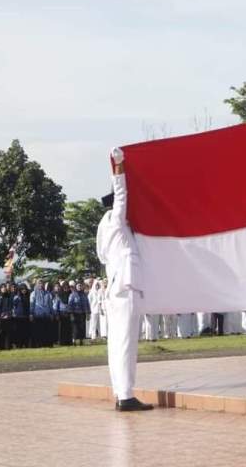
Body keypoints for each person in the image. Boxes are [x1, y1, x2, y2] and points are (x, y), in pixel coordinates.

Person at [96, 146, 153, 412]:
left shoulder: (103, 230)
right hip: (126, 287)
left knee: (116, 342)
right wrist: (119, 165)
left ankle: (121, 393)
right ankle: (127, 396)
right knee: (127, 343)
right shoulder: (115, 220)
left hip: (115, 289)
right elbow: (121, 194)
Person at [30, 282, 54, 347]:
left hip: (46, 315)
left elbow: (50, 304)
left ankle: (47, 345)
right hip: (37, 315)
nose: (41, 285)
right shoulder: (33, 293)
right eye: (39, 283)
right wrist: (31, 314)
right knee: (38, 331)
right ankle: (38, 344)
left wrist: (52, 313)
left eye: (42, 283)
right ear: (37, 285)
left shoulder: (48, 293)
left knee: (46, 331)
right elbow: (32, 305)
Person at [0, 283, 13, 351]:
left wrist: (8, 313)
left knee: (7, 332)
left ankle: (7, 347)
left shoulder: (9, 297)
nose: (4, 288)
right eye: (2, 287)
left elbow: (11, 306)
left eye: (5, 287)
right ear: (0, 289)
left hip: (7, 316)